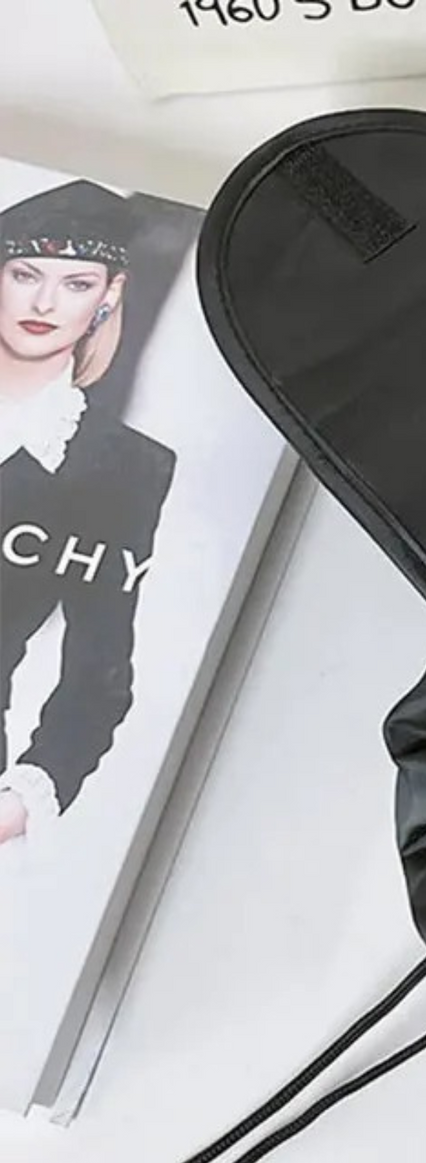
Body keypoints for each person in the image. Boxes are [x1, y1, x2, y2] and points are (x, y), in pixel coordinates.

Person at [0, 180, 176, 845]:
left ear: (108, 297)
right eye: (25, 274)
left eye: (75, 283)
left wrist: (19, 804)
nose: (44, 303)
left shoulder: (126, 468)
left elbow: (98, 677)